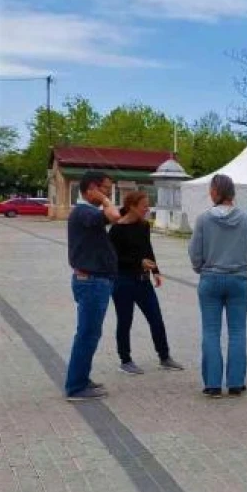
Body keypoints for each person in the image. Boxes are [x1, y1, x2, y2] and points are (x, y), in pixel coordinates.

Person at [187, 174, 247, 398]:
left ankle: (212, 384)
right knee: (237, 332)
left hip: (210, 280)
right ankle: (236, 383)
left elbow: (194, 252)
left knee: (211, 332)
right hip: (239, 280)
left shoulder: (203, 219)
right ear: (232, 193)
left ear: (215, 192)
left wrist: (199, 268)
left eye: (211, 189)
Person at [109, 191, 185, 375]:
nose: (147, 209)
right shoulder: (116, 229)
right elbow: (114, 260)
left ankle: (164, 357)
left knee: (156, 319)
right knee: (125, 321)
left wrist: (155, 270)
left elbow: (147, 249)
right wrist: (138, 262)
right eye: (144, 205)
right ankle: (125, 360)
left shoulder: (143, 226)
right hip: (122, 282)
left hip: (143, 281)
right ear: (133, 206)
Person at [64, 171, 122, 401]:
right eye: (106, 188)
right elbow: (115, 216)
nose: (108, 193)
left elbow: (115, 217)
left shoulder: (87, 213)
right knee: (87, 334)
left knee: (90, 333)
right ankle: (76, 387)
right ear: (91, 189)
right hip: (91, 282)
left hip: (95, 281)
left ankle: (81, 378)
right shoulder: (84, 212)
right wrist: (106, 201)